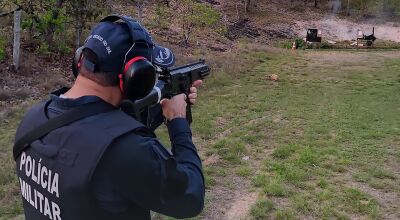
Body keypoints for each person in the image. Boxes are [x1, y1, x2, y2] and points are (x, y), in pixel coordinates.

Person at [14, 15, 205, 220]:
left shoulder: (32, 120)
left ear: (80, 61)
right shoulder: (123, 150)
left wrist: (163, 109)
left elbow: (101, 126)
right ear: (137, 75)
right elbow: (189, 197)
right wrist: (177, 119)